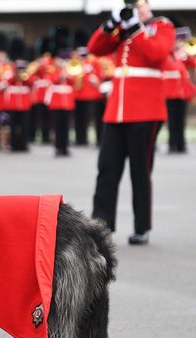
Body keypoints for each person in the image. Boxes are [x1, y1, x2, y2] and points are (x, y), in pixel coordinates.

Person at [88, 0, 174, 245]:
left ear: (148, 6)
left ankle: (141, 227)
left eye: (140, 4)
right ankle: (101, 227)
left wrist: (136, 25)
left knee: (140, 171)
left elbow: (156, 54)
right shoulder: (122, 29)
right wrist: (111, 24)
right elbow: (96, 48)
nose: (136, 9)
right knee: (107, 168)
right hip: (117, 110)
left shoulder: (162, 26)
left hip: (146, 110)